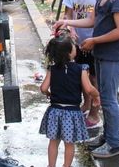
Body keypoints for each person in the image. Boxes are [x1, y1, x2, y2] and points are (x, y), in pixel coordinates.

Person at [53, 0, 119, 158]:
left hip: (114, 56)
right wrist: (67, 22)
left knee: (108, 99)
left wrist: (95, 41)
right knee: (106, 98)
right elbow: (91, 20)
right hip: (102, 54)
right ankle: (107, 136)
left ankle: (114, 144)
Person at [39, 33, 99, 167]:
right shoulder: (81, 69)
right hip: (72, 113)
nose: (76, 48)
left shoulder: (52, 69)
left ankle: (51, 165)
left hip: (54, 111)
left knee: (53, 142)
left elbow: (43, 88)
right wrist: (96, 96)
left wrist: (48, 93)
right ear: (69, 53)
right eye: (74, 46)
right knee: (69, 144)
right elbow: (89, 89)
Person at [62, 0, 102, 128]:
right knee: (81, 75)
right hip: (78, 43)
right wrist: (70, 29)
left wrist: (96, 39)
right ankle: (86, 104)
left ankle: (95, 113)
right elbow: (68, 14)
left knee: (94, 78)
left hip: (96, 42)